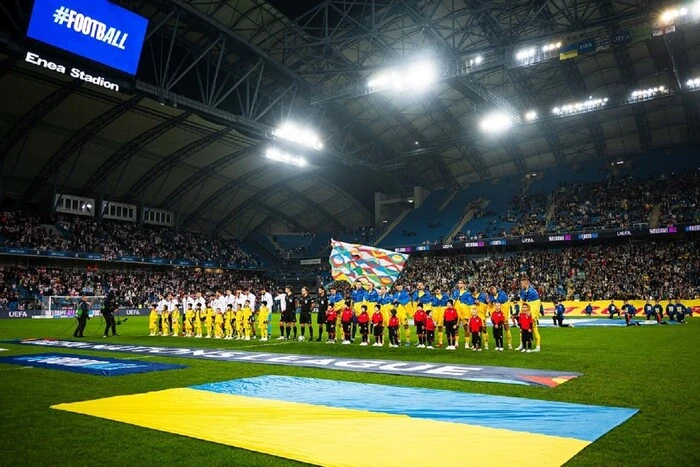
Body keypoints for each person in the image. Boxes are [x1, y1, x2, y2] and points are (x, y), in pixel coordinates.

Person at [519, 278, 541, 352]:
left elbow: (535, 304)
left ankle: (538, 346)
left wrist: (532, 314)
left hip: (532, 313)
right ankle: (522, 344)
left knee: (534, 328)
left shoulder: (532, 291)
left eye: (522, 283)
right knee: (522, 328)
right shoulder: (524, 291)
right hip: (527, 311)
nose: (521, 285)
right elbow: (523, 302)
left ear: (526, 283)